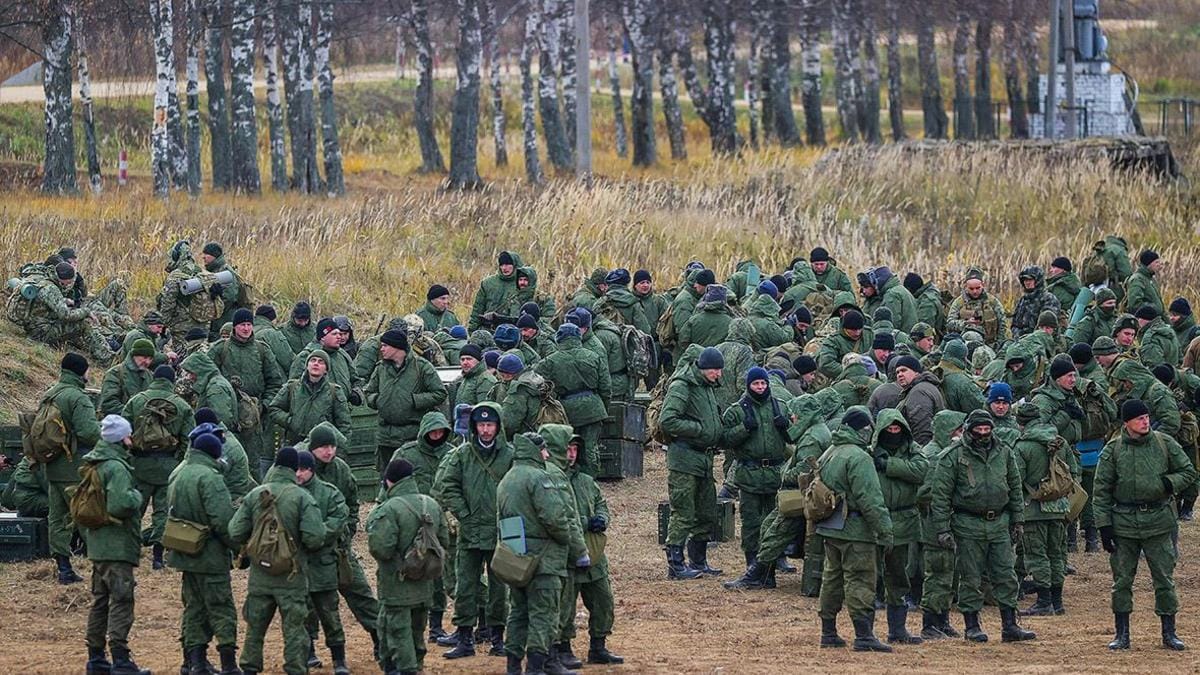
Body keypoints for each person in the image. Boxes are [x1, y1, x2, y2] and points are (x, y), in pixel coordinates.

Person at [1095, 399, 1197, 651]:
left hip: (1159, 521)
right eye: (1139, 418)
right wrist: (1104, 526)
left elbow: (1188, 471)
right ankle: (1122, 634)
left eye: (1146, 417)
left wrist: (1167, 484)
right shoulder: (1112, 450)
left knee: (1164, 579)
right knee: (1121, 582)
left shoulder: (1164, 443)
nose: (1145, 421)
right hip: (1124, 524)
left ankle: (1169, 633)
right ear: (1126, 422)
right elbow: (1101, 491)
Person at [929, 410, 1036, 643]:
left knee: (1006, 575)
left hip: (999, 522)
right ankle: (972, 626)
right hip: (967, 523)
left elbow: (1016, 489)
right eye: (979, 430)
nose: (984, 434)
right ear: (969, 430)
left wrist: (1018, 520)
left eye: (988, 429)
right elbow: (940, 497)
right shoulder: (953, 457)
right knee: (971, 577)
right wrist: (943, 529)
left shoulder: (1005, 453)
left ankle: (1010, 625)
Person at [496, 431, 588, 675]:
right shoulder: (539, 478)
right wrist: (572, 543)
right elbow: (556, 519)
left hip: (516, 559)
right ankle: (536, 668)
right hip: (545, 562)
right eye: (544, 450)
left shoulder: (507, 478)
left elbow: (503, 521)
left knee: (518, 613)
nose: (547, 454)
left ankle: (513, 665)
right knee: (543, 615)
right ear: (537, 451)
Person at [228, 447, 326, 675]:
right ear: (294, 469)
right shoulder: (303, 497)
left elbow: (234, 531)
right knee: (294, 629)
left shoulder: (255, 495)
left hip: (260, 576)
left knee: (255, 628)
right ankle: (295, 668)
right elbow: (315, 538)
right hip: (292, 577)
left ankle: (250, 668)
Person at [434, 403, 514, 658]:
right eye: (481, 425)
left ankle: (498, 639)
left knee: (499, 588)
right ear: (474, 426)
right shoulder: (462, 454)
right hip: (470, 531)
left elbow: (518, 487)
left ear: (498, 426)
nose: (486, 430)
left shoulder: (510, 455)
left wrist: (508, 517)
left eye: (490, 425)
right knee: (466, 586)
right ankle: (465, 638)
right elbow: (448, 486)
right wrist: (464, 514)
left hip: (500, 532)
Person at [815, 407, 895, 652]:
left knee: (831, 578)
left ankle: (828, 632)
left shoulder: (830, 451)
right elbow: (869, 499)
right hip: (855, 528)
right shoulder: (859, 457)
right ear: (863, 429)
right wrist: (885, 531)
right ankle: (863, 635)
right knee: (859, 578)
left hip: (831, 525)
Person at [80, 415, 150, 675]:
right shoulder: (117, 467)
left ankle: (96, 658)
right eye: (128, 435)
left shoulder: (94, 463)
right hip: (116, 545)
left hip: (98, 544)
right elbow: (120, 503)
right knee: (122, 599)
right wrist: (136, 494)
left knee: (100, 600)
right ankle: (121, 660)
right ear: (122, 438)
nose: (131, 440)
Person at [166, 431, 240, 675]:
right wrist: (240, 548)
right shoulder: (211, 478)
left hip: (185, 552)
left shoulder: (179, 473)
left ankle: (196, 663)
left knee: (194, 609)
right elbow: (223, 521)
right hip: (210, 556)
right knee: (222, 608)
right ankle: (229, 664)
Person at [367, 459, 448, 674]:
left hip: (396, 584)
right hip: (424, 583)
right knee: (417, 631)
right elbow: (444, 541)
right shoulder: (430, 504)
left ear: (389, 481)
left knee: (398, 632)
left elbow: (380, 548)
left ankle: (407, 669)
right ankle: (415, 666)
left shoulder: (390, 508)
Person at [556, 430, 623, 666]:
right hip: (566, 555)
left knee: (603, 601)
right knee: (564, 606)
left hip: (593, 553)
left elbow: (601, 505)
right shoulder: (550, 481)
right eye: (567, 449)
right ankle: (562, 648)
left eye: (575, 449)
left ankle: (598, 646)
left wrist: (602, 519)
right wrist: (585, 523)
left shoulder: (586, 481)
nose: (572, 454)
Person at [660, 347, 726, 580]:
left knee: (706, 510)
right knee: (683, 512)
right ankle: (676, 565)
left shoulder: (706, 387)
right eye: (715, 370)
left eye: (720, 370)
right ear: (703, 367)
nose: (718, 374)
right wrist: (698, 430)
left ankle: (698, 560)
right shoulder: (682, 385)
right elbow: (667, 420)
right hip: (685, 458)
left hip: (703, 459)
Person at [721, 368, 793, 577]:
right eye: (756, 384)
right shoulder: (737, 411)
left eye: (763, 384)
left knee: (778, 520)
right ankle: (752, 562)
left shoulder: (780, 407)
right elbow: (724, 440)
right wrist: (744, 428)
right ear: (749, 385)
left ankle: (779, 557)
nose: (760, 388)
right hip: (749, 473)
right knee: (751, 521)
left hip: (775, 473)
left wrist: (785, 426)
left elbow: (793, 438)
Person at [122, 364, 195, 570]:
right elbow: (188, 439)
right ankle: (157, 556)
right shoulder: (182, 405)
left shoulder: (136, 401)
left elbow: (123, 432)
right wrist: (178, 461)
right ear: (172, 381)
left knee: (135, 509)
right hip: (168, 466)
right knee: (163, 511)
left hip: (139, 463)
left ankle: (131, 551)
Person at [389, 412, 455, 641]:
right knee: (412, 570)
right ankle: (413, 623)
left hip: (442, 520)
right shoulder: (406, 454)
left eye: (441, 432)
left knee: (439, 572)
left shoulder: (452, 453)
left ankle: (436, 625)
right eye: (433, 431)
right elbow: (390, 482)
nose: (437, 436)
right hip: (411, 520)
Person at [38, 353, 102, 584]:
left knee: (58, 518)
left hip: (53, 465)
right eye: (87, 369)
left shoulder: (49, 394)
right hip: (74, 465)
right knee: (88, 515)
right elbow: (88, 432)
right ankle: (106, 569)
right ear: (80, 371)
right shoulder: (77, 397)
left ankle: (63, 568)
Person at [1011, 402, 1077, 618]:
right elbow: (1074, 472)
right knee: (1057, 554)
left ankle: (1043, 601)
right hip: (1060, 508)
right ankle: (1057, 601)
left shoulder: (1022, 447)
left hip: (1034, 509)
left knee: (1036, 555)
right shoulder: (1060, 442)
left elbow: (1016, 480)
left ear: (1021, 423)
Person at [870, 409, 928, 645]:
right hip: (876, 520)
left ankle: (898, 629)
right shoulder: (869, 453)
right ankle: (866, 631)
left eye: (897, 429)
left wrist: (889, 465)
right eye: (889, 430)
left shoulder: (914, 451)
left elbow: (920, 471)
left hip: (904, 520)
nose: (893, 433)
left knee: (898, 576)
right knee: (870, 576)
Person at [208, 307, 285, 478]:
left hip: (254, 415)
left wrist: (264, 406)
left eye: (249, 324)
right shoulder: (220, 349)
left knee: (253, 464)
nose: (246, 328)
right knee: (224, 459)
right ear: (235, 326)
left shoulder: (262, 350)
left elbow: (274, 382)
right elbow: (206, 378)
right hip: (227, 412)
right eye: (242, 324)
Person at [295, 449, 352, 674]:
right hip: (297, 564)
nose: (299, 474)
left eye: (304, 469)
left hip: (324, 562)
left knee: (330, 614)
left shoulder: (330, 493)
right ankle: (308, 653)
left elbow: (338, 520)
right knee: (302, 613)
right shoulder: (289, 494)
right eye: (296, 469)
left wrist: (314, 535)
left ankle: (339, 660)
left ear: (312, 470)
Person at [364, 329, 447, 471]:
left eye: (385, 345)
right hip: (385, 437)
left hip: (411, 436)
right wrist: (378, 400)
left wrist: (415, 400)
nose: (381, 349)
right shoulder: (380, 369)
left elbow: (440, 393)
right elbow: (369, 392)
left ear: (397, 347)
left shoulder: (421, 367)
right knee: (386, 479)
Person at [916, 410, 966, 640]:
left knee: (947, 573)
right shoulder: (936, 457)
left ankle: (942, 620)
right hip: (935, 524)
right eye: (958, 430)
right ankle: (930, 623)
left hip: (943, 521)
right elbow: (927, 493)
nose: (962, 434)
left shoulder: (943, 453)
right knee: (937, 573)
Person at [536, 323, 612, 474]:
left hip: (566, 409)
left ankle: (567, 477)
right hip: (593, 407)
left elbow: (537, 382)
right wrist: (602, 407)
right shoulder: (594, 356)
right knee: (590, 447)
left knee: (566, 445)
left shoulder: (550, 361)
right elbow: (606, 387)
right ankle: (589, 479)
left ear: (559, 339)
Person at [270, 349, 352, 445]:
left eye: (321, 362)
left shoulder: (334, 391)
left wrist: (339, 450)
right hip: (293, 443)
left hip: (322, 446)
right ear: (307, 366)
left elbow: (344, 424)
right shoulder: (292, 387)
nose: (316, 364)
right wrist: (289, 421)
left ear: (326, 369)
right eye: (313, 360)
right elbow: (274, 408)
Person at [194, 408, 258, 503]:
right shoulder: (221, 436)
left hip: (232, 499)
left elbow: (211, 477)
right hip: (231, 493)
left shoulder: (222, 445)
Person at [946, 268, 1008, 345]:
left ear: (983, 285)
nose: (975, 291)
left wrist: (999, 344)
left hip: (990, 344)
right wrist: (966, 323)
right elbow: (949, 323)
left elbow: (1003, 324)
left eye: (977, 288)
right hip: (965, 344)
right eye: (971, 289)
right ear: (966, 286)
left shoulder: (992, 302)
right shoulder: (959, 303)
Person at [179, 352, 238, 434]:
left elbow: (223, 420)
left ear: (200, 370)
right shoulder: (212, 383)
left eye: (191, 373)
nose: (189, 377)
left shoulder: (215, 387)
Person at [491, 354, 547, 439]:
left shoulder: (518, 390)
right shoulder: (533, 378)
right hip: (540, 432)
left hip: (524, 438)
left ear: (508, 375)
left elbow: (509, 424)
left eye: (502, 375)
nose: (501, 379)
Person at [98, 338, 155, 416]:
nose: (147, 362)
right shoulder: (115, 373)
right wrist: (133, 414)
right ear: (134, 355)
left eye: (150, 359)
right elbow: (108, 404)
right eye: (144, 357)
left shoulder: (150, 375)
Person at [469, 251, 525, 330]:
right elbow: (477, 310)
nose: (504, 268)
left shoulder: (524, 284)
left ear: (515, 265)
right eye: (502, 264)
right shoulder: (488, 283)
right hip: (488, 329)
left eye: (508, 264)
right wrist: (472, 330)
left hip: (514, 331)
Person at [896, 355, 944, 446]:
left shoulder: (919, 392)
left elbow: (922, 430)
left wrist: (920, 453)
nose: (900, 374)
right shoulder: (922, 387)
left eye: (904, 370)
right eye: (897, 372)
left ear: (916, 372)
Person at [1124, 250, 1165, 316]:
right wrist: (1155, 309)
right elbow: (1135, 304)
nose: (1159, 265)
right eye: (1156, 262)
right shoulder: (1137, 279)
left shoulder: (1151, 279)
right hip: (1146, 321)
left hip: (1156, 320)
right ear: (1149, 263)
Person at [455, 344, 497, 408]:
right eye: (462, 359)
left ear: (478, 361)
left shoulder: (485, 380)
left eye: (469, 359)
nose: (465, 362)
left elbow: (484, 409)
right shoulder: (466, 378)